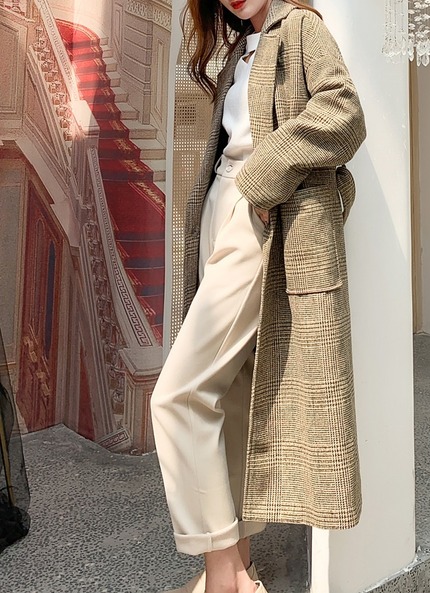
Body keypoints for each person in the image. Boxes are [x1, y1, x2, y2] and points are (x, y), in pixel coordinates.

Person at [150, 0, 366, 592]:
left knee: (178, 395)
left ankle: (223, 577)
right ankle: (239, 564)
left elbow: (344, 110)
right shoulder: (237, 48)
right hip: (222, 211)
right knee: (229, 392)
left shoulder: (301, 27)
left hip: (257, 215)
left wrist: (265, 176)